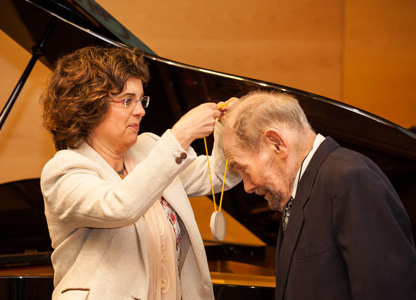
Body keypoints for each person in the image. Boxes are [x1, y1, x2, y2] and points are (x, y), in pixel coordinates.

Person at [40, 45, 240, 300]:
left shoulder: (149, 149)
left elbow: (218, 174)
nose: (140, 110)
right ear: (89, 106)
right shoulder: (63, 171)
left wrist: (230, 125)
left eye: (141, 99)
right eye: (127, 100)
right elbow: (120, 206)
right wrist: (181, 135)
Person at [222, 90, 416, 300]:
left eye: (244, 169)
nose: (247, 187)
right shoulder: (299, 189)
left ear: (276, 143)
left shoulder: (351, 178)